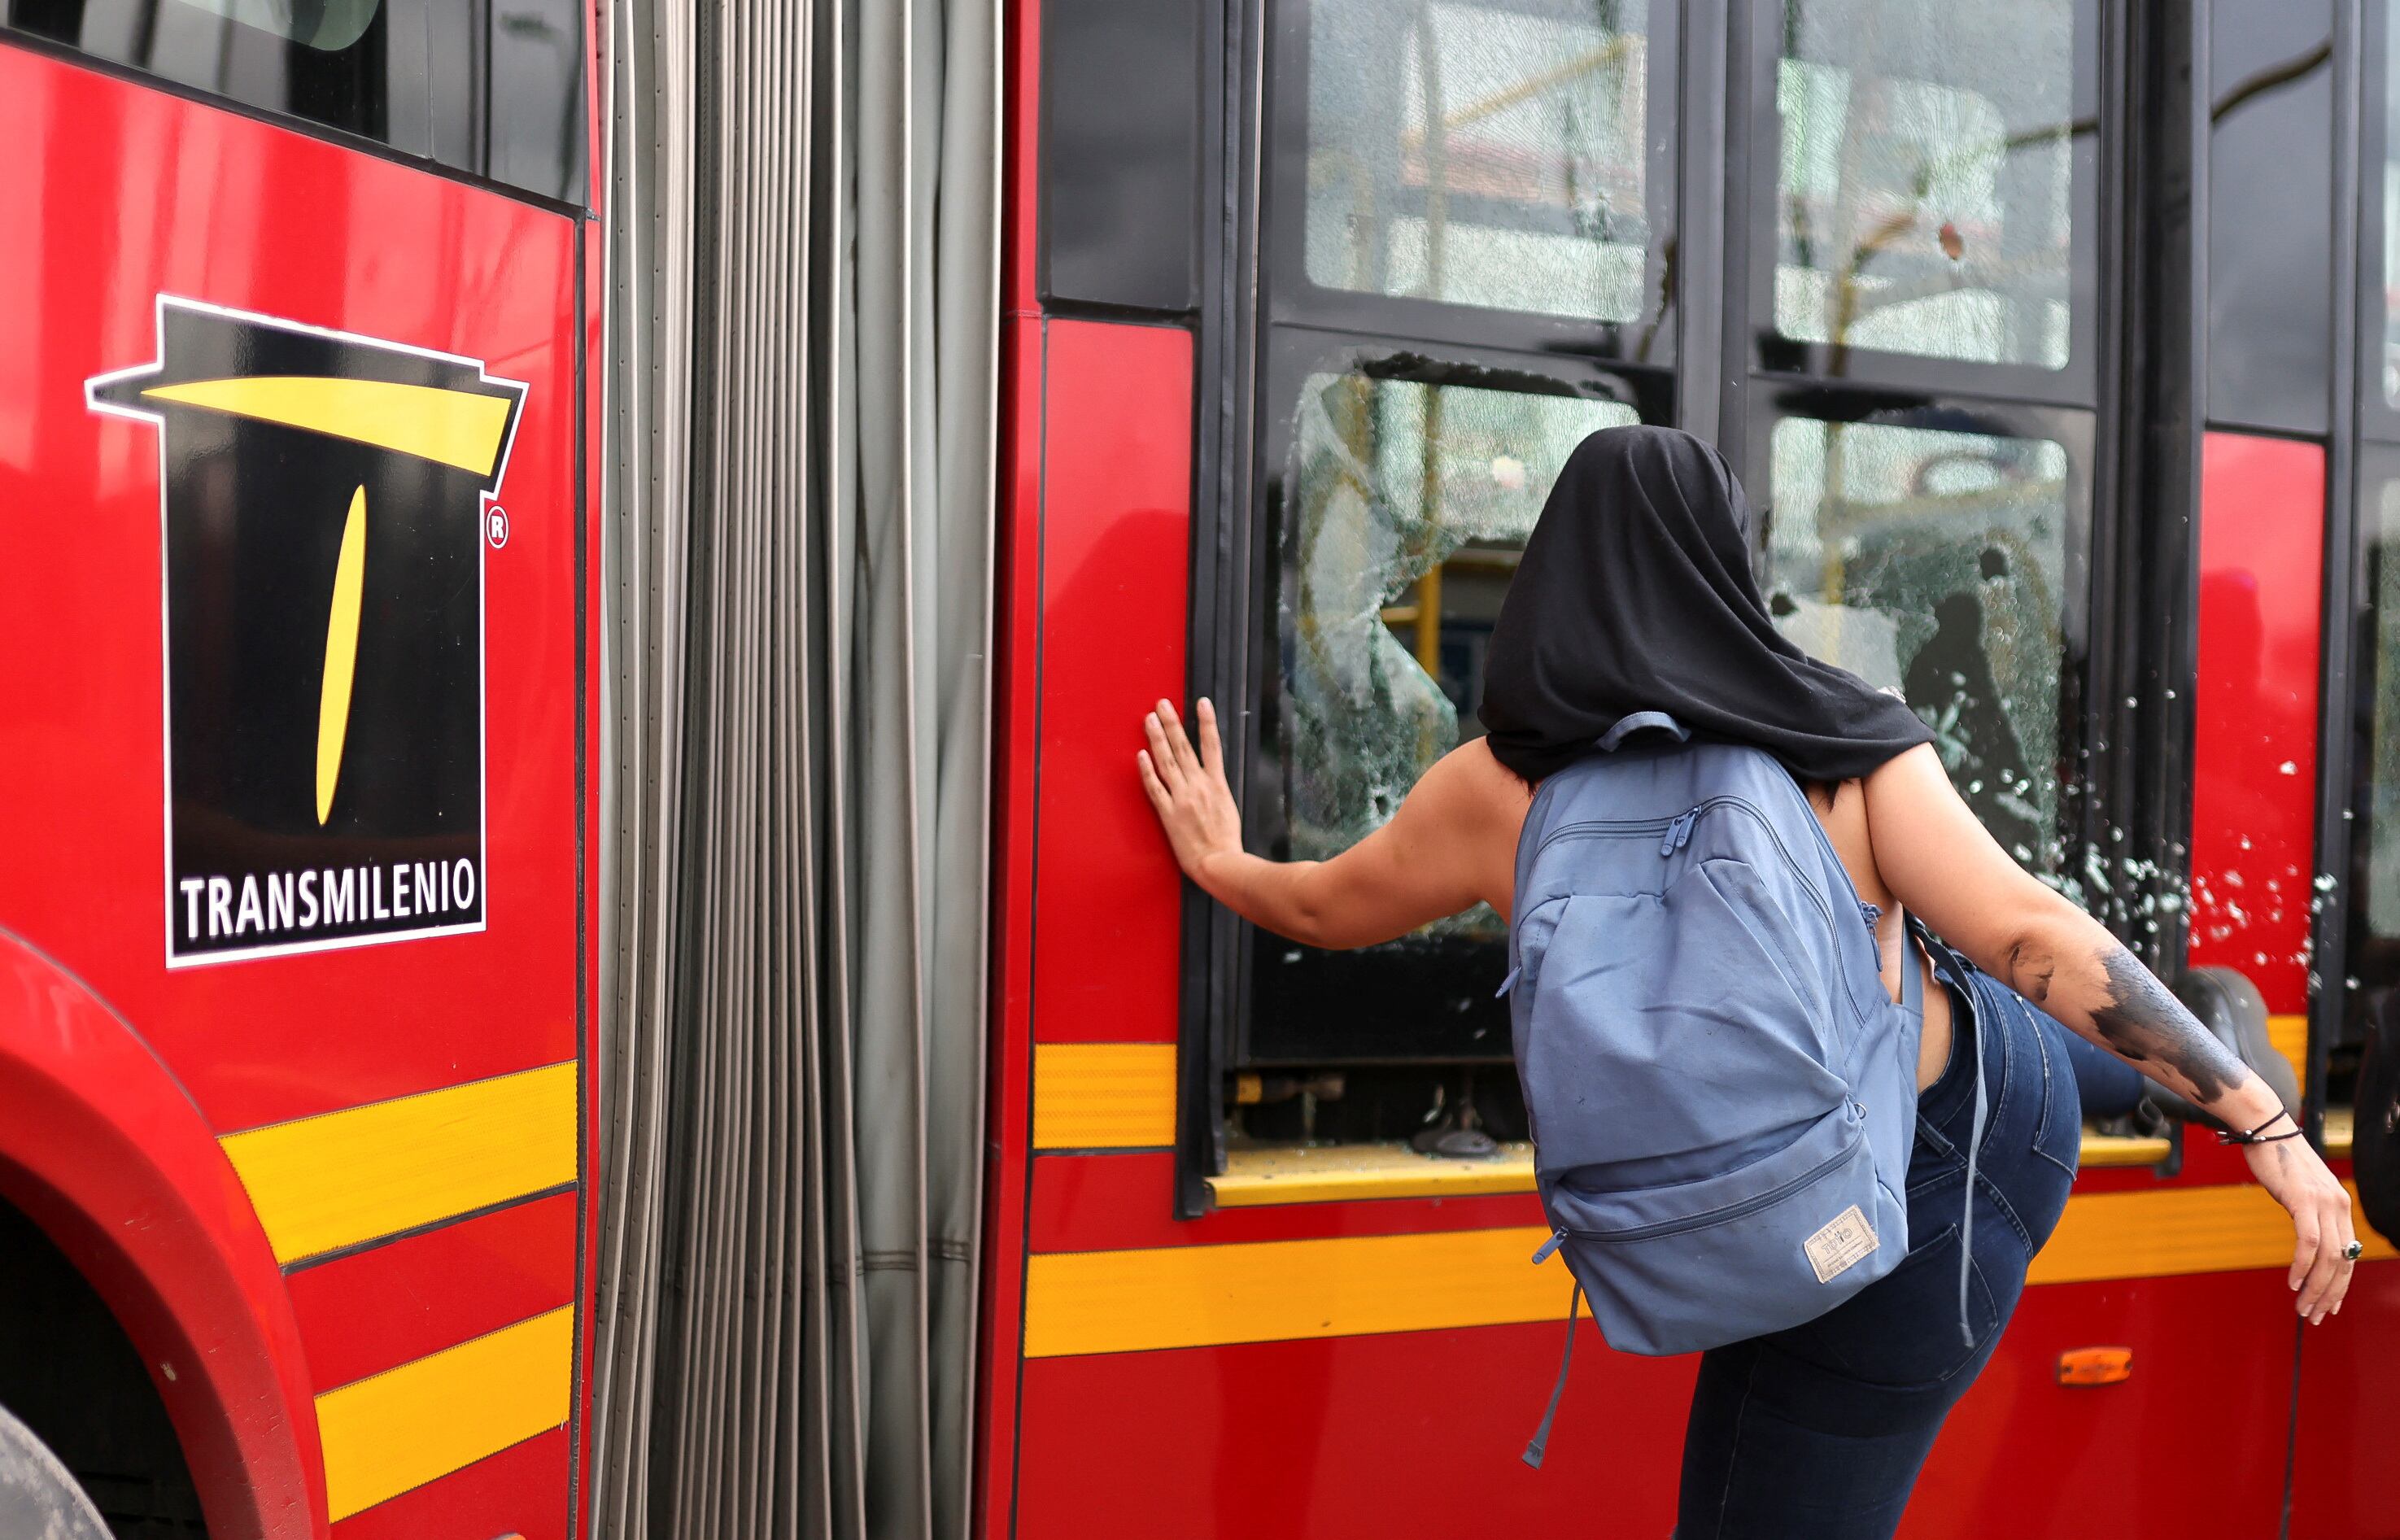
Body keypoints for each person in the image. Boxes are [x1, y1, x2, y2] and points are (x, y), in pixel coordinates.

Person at [1134, 425, 2357, 1538]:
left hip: (1874, 1187)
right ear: (1727, 568)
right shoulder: (1843, 738)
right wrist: (2267, 1128)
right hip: (1955, 1152)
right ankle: (2216, 1059)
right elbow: (2031, 937)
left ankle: (2214, 1059)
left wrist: (1221, 858)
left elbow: (1321, 908)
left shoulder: (1492, 792)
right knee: (2000, 1007)